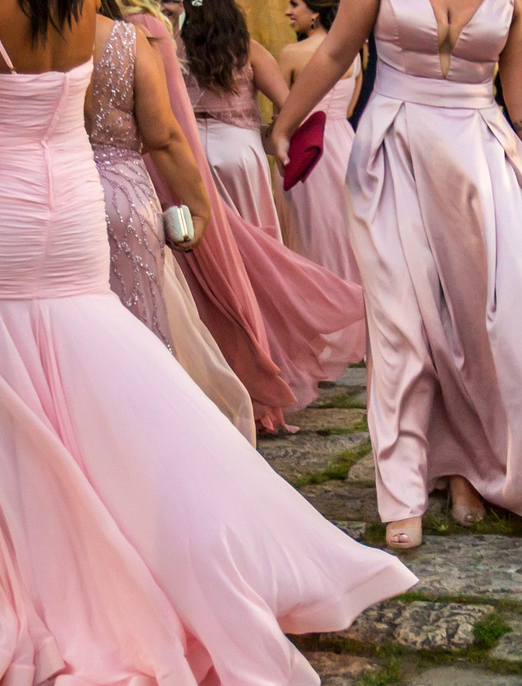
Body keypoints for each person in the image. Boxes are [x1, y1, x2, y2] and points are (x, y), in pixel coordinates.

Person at [0, 0, 416, 686]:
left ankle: (40, 607)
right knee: (107, 393)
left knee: (8, 426)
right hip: (70, 213)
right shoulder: (81, 11)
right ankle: (208, 537)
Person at [270, 0, 522, 548]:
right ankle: (401, 490)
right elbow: (334, 52)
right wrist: (285, 124)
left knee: (480, 327)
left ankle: (466, 467)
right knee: (402, 322)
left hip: (480, 161)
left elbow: (521, 96)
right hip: (391, 152)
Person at [133, 0, 367, 421]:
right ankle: (268, 363)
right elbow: (289, 105)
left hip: (195, 161)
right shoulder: (252, 51)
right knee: (257, 264)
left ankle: (221, 364)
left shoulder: (170, 47)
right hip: (242, 159)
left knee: (210, 266)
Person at [89, 0, 257, 441]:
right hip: (124, 196)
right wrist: (199, 206)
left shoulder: (19, 42)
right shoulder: (128, 41)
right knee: (142, 329)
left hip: (56, 195)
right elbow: (162, 134)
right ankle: (158, 440)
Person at [181, 0, 289, 239]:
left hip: (189, 150)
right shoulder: (250, 50)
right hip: (240, 152)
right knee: (255, 234)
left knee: (206, 238)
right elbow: (287, 103)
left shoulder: (174, 50)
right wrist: (276, 130)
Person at [276, 0, 363, 283]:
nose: (289, 12)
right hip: (347, 146)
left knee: (309, 233)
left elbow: (282, 111)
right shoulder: (355, 53)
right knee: (348, 231)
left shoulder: (292, 53)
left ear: (315, 11)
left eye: (294, 4)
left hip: (308, 151)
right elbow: (349, 108)